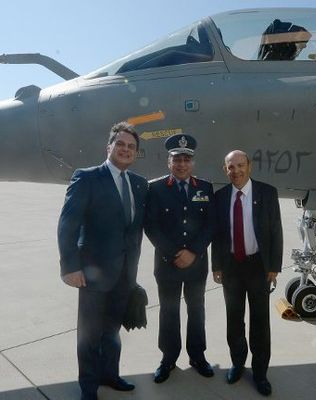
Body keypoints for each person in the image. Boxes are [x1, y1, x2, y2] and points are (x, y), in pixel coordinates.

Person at [57, 122, 148, 400]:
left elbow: (135, 228)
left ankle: (110, 374)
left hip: (124, 274)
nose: (125, 150)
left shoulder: (138, 183)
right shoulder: (86, 178)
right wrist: (70, 267)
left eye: (131, 147)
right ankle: (88, 387)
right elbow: (67, 225)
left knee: (112, 330)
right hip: (92, 274)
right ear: (109, 147)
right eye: (120, 144)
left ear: (135, 153)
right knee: (89, 334)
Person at [144, 133, 216, 383]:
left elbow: (210, 225)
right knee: (169, 310)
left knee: (197, 309)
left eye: (186, 159)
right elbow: (151, 226)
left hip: (196, 264)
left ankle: (197, 356)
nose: (182, 164)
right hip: (168, 264)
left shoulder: (205, 187)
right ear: (169, 162)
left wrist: (193, 252)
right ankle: (168, 358)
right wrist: (175, 254)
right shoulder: (155, 188)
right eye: (177, 159)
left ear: (192, 162)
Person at [212, 150, 283, 396]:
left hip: (259, 266)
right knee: (234, 318)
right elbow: (218, 236)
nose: (237, 171)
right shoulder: (220, 197)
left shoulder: (267, 192)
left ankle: (260, 372)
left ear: (249, 166)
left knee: (260, 321)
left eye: (241, 165)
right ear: (225, 170)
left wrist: (274, 266)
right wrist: (216, 265)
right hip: (231, 266)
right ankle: (237, 363)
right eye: (231, 167)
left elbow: (276, 231)